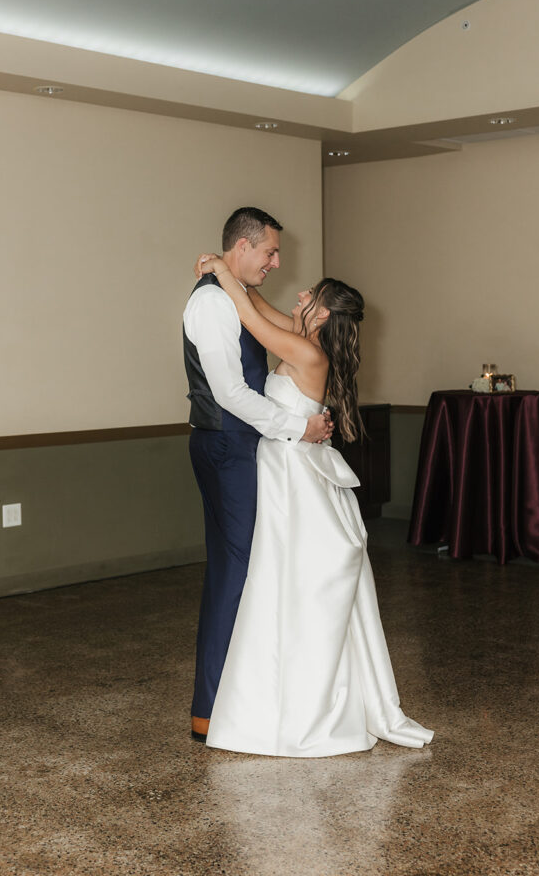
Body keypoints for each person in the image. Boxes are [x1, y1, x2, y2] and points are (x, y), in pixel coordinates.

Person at [195, 253, 434, 757]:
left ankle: (297, 702)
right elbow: (256, 304)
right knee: (279, 576)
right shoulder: (306, 339)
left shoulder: (308, 354)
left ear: (322, 315)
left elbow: (253, 320)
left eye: (311, 295)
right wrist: (234, 274)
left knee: (290, 581)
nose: (300, 294)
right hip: (285, 467)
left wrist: (222, 270)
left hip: (294, 477)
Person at [183, 208, 333, 743]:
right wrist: (299, 427)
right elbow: (229, 393)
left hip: (239, 445)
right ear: (241, 247)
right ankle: (210, 709)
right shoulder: (209, 303)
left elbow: (278, 328)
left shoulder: (232, 296)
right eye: (269, 252)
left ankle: (233, 697)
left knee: (242, 571)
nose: (275, 262)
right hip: (225, 445)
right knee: (233, 573)